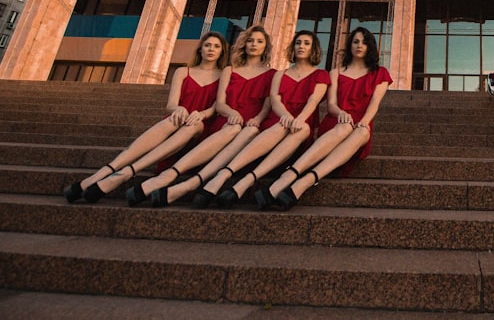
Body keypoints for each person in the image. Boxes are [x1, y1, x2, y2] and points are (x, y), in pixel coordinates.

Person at [62, 32, 227, 203]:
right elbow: (170, 104)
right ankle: (104, 173)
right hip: (177, 124)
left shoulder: (224, 75)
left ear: (222, 51)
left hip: (201, 129)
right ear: (200, 49)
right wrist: (179, 109)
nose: (211, 49)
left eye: (216, 46)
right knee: (171, 119)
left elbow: (216, 108)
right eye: (207, 45)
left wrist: (200, 114)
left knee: (192, 125)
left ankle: (127, 172)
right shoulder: (183, 71)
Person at [125, 26, 276, 207]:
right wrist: (232, 113)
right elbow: (220, 104)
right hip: (226, 120)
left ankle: (184, 180)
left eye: (260, 41)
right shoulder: (230, 70)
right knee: (233, 128)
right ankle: (173, 174)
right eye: (251, 40)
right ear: (244, 44)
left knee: (249, 131)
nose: (254, 44)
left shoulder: (273, 74)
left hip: (251, 123)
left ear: (265, 47)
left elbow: (267, 107)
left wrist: (257, 120)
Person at [255, 27, 392, 210]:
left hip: (360, 126)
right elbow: (332, 105)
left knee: (360, 133)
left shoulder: (380, 73)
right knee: (344, 127)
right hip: (335, 124)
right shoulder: (335, 72)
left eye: (364, 42)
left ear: (371, 46)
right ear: (349, 45)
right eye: (356, 41)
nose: (360, 45)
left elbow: (375, 102)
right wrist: (341, 113)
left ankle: (303, 182)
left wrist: (364, 123)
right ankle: (290, 177)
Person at [191, 30, 330, 209]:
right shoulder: (279, 74)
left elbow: (313, 101)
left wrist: (299, 118)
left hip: (299, 130)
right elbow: (275, 100)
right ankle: (225, 176)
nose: (301, 46)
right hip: (274, 125)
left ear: (314, 49)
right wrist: (286, 116)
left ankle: (246, 180)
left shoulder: (321, 75)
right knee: (280, 126)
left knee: (301, 128)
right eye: (298, 43)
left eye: (306, 43)